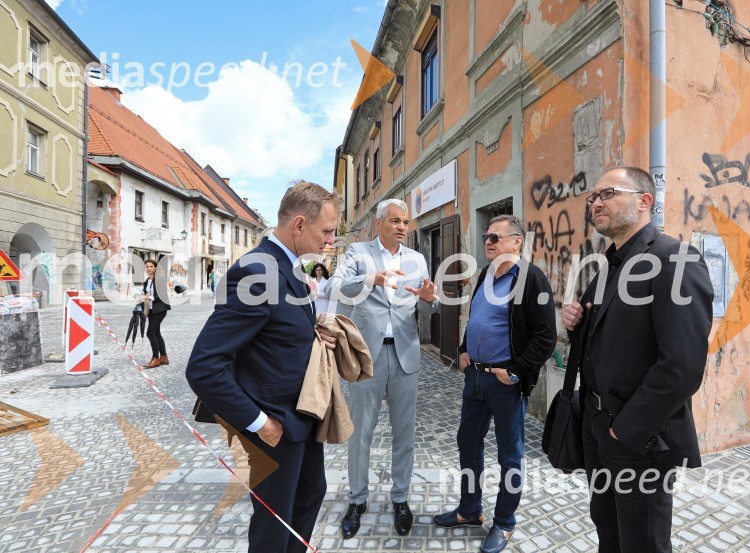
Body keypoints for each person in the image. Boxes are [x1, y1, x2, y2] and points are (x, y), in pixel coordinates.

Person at [561, 167, 714, 553]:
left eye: (608, 193)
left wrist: (625, 431)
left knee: (643, 542)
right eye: (593, 197)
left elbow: (682, 367)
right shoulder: (608, 267)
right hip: (598, 428)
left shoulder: (675, 259)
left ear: (644, 201)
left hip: (638, 439)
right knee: (608, 531)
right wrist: (575, 322)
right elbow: (603, 341)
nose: (596, 203)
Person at [186, 181, 340, 553]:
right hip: (275, 426)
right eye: (327, 231)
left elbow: (273, 331)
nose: (331, 241)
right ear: (299, 225)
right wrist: (259, 423)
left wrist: (314, 335)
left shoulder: (290, 267)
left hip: (301, 418)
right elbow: (204, 367)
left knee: (309, 495)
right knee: (274, 528)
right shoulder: (257, 272)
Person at [433, 215, 557, 553]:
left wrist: (515, 372)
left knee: (510, 455)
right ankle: (469, 510)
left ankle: (504, 522)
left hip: (505, 383)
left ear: (517, 241)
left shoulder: (532, 279)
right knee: (467, 443)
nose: (487, 242)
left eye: (495, 237)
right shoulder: (487, 274)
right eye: (486, 237)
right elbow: (478, 317)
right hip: (475, 378)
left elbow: (546, 337)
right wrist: (463, 349)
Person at [329, 198, 439, 539]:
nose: (402, 227)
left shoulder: (417, 259)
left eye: (405, 221)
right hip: (367, 358)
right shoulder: (358, 252)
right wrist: (370, 279)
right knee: (360, 433)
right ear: (379, 224)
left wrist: (429, 300)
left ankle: (401, 498)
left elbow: (426, 310)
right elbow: (336, 286)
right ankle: (357, 500)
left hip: (405, 356)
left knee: (404, 433)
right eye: (395, 221)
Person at [142, 259, 170, 368]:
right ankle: (164, 357)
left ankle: (156, 358)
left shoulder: (160, 279)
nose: (149, 268)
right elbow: (146, 294)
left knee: (150, 333)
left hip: (160, 309)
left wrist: (149, 297)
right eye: (147, 266)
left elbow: (161, 295)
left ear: (155, 268)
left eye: (151, 266)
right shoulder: (147, 281)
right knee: (156, 333)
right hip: (151, 310)